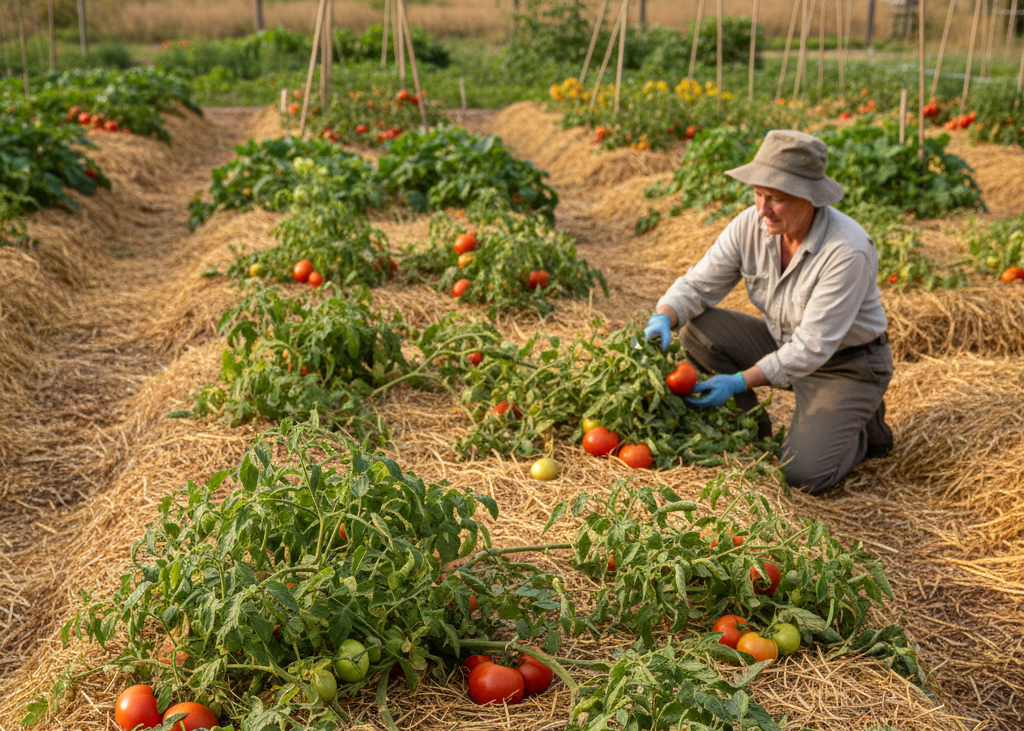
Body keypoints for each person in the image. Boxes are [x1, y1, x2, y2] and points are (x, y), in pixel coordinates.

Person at [644, 129, 893, 495]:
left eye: (776, 198)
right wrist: (664, 315)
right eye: (758, 194)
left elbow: (812, 347)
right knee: (698, 328)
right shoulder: (752, 224)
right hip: (782, 342)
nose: (762, 208)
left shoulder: (846, 251)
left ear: (810, 198)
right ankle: (751, 430)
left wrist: (739, 381)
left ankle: (861, 428)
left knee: (801, 476)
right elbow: (698, 285)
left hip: (845, 365)